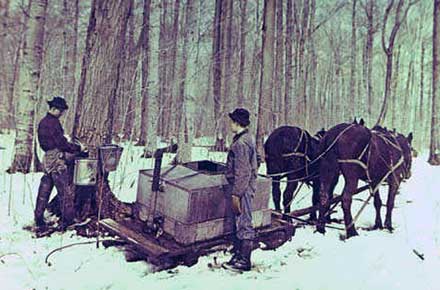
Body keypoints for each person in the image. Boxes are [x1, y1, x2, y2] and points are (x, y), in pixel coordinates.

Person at [35, 96, 86, 232]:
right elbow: (61, 143)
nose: (62, 113)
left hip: (47, 158)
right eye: (61, 111)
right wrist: (77, 148)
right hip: (56, 159)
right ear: (54, 109)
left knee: (45, 189)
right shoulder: (53, 123)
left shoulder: (43, 122)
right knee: (64, 191)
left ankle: (38, 217)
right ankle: (68, 220)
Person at [222, 108, 258, 272]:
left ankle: (244, 261)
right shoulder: (245, 138)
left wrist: (236, 193)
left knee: (244, 222)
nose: (230, 124)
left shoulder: (242, 143)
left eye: (232, 121)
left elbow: (243, 172)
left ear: (237, 123)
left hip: (242, 188)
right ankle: (238, 254)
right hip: (243, 186)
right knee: (240, 221)